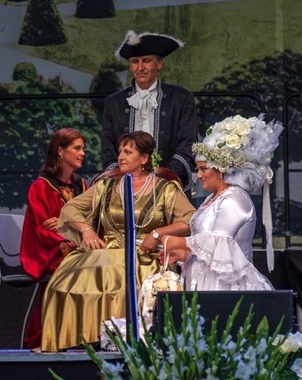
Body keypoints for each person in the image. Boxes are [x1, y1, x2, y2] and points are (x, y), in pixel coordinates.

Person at [41, 131, 195, 352]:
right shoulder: (105, 186)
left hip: (144, 256)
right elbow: (71, 208)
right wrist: (87, 230)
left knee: (125, 283)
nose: (121, 156)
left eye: (128, 152)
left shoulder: (165, 189)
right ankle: (84, 339)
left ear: (144, 158)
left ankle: (126, 342)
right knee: (64, 282)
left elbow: (190, 219)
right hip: (105, 252)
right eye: (120, 151)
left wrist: (158, 233)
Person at [158, 114, 283, 291]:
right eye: (198, 170)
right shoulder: (211, 199)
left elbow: (220, 241)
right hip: (204, 282)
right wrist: (183, 254)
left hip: (226, 286)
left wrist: (179, 242)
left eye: (203, 169)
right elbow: (209, 252)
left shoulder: (235, 198)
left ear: (221, 169)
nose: (198, 176)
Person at [101, 30, 198, 191]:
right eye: (134, 61)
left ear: (159, 64)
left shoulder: (181, 98)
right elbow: (108, 148)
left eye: (146, 61)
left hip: (169, 187)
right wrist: (122, 181)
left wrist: (163, 178)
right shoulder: (114, 102)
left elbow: (188, 144)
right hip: (126, 188)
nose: (140, 67)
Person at [19, 128, 88, 349]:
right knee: (74, 267)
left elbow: (90, 221)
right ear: (60, 151)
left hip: (77, 246)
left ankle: (86, 334)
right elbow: (42, 229)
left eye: (83, 148)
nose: (82, 153)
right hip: (49, 250)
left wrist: (63, 224)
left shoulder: (82, 186)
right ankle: (48, 336)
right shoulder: (40, 186)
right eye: (77, 148)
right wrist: (69, 237)